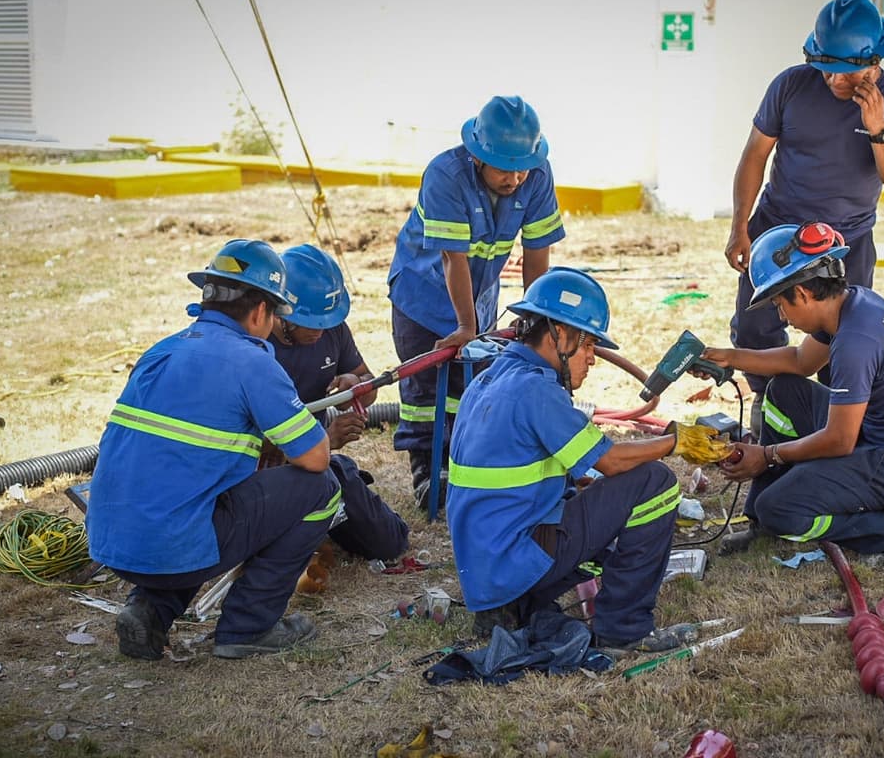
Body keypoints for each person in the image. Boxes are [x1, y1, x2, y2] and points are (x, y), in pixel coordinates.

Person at [446, 267, 734, 653]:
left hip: (488, 569)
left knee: (600, 497)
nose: (592, 359)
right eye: (587, 346)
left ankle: (513, 606)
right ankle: (624, 629)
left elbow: (531, 469)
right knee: (655, 484)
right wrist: (675, 441)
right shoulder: (536, 389)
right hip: (513, 562)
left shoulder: (490, 378)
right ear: (558, 333)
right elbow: (611, 460)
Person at [87, 239, 341, 660]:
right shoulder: (252, 361)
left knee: (195, 499)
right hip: (175, 547)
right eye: (276, 312)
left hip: (113, 542)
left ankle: (149, 610)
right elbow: (316, 457)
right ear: (261, 312)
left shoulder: (161, 351)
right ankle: (249, 627)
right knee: (322, 487)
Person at [722, 0, 884, 435]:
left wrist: (879, 131)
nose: (832, 80)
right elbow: (755, 155)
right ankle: (771, 413)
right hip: (777, 233)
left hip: (846, 243)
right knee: (755, 328)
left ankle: (833, 424)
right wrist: (740, 225)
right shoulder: (792, 85)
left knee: (842, 343)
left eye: (844, 72)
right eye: (824, 67)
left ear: (873, 62)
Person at [700, 223, 884, 562]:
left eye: (780, 304)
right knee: (784, 391)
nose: (781, 316)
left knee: (780, 510)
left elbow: (839, 440)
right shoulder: (852, 305)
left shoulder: (855, 342)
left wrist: (767, 455)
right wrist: (730, 357)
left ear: (804, 294)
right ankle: (762, 521)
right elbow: (800, 361)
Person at [387, 95, 565, 508]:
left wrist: (536, 317)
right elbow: (453, 257)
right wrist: (466, 328)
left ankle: (465, 462)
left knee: (472, 384)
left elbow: (537, 254)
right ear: (478, 156)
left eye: (523, 167)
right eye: (506, 168)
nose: (516, 178)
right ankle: (427, 471)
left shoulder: (536, 174)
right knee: (426, 390)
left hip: (480, 295)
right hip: (422, 291)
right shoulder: (444, 175)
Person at [268, 244, 409, 562]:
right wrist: (326, 440)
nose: (320, 330)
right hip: (268, 469)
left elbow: (368, 383)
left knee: (389, 541)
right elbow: (258, 451)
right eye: (312, 322)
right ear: (281, 310)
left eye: (326, 320)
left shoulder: (332, 331)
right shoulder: (258, 349)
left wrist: (355, 386)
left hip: (317, 462)